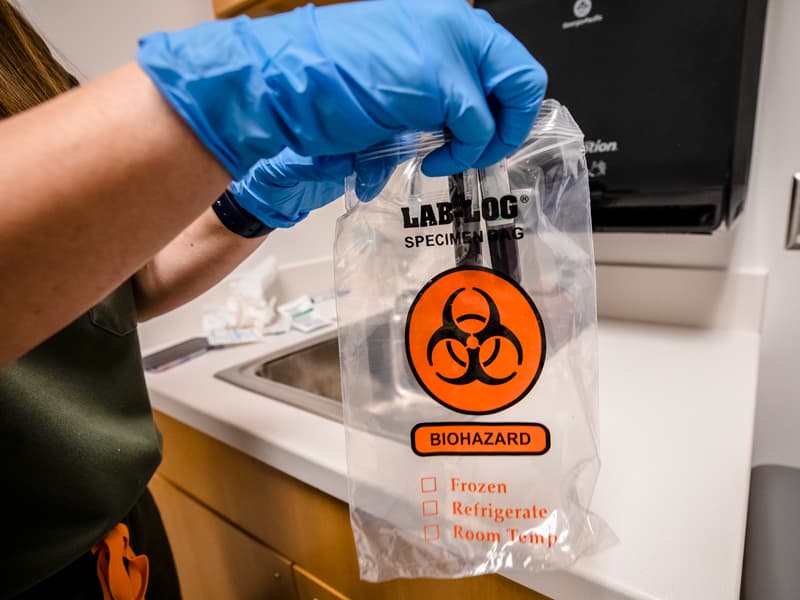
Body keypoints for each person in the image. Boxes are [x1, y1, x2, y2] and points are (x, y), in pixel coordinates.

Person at [0, 0, 546, 597]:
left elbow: (105, 282)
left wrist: (247, 205)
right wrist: (242, 84)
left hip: (125, 541)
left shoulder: (13, 43)